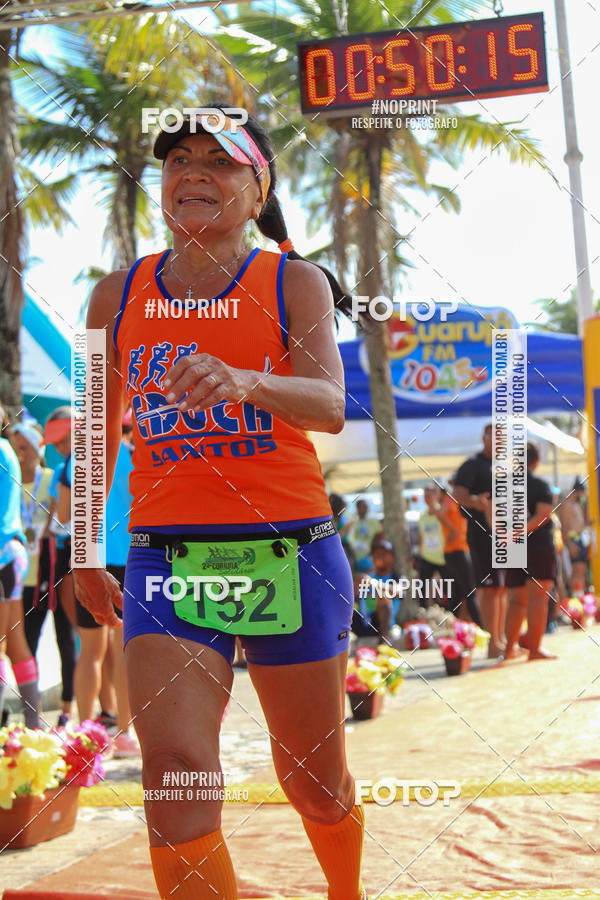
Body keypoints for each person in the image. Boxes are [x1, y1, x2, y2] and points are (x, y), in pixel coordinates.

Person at [73, 109, 367, 900]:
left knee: (313, 781)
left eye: (220, 160)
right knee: (173, 773)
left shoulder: (294, 281)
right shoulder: (114, 295)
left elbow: (331, 405)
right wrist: (83, 548)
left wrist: (246, 381)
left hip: (291, 551)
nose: (194, 172)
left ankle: (347, 892)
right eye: (179, 159)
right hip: (167, 560)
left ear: (257, 188)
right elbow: (96, 429)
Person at [9, 420, 77, 728]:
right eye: (17, 448)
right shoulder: (9, 476)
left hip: (51, 570)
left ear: (38, 448)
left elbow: (59, 521)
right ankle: (31, 717)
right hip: (21, 577)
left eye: (25, 447)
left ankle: (66, 711)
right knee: (24, 644)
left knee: (65, 638)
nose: (20, 454)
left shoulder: (53, 476)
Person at [453, 423, 506, 658]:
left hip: (503, 534)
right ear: (483, 438)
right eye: (491, 436)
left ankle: (501, 638)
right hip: (481, 534)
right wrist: (477, 502)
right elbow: (458, 495)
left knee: (502, 588)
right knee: (491, 588)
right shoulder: (473, 464)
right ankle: (493, 643)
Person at [0, 406, 38, 729]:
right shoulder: (7, 450)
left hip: (4, 552)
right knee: (15, 642)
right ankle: (33, 727)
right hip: (12, 552)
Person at [504, 443, 557, 661]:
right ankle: (534, 649)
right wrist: (522, 530)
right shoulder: (540, 485)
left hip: (512, 544)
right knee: (538, 598)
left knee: (516, 599)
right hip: (538, 545)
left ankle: (509, 650)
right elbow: (543, 515)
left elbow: (493, 513)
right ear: (536, 461)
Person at [435, 479, 480, 625]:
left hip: (456, 550)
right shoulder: (451, 498)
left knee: (459, 594)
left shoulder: (453, 499)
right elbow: (440, 514)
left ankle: (457, 626)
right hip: (457, 550)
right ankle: (482, 627)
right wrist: (453, 530)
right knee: (469, 593)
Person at [557, 476, 590, 595]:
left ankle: (580, 596)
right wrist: (570, 544)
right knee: (577, 571)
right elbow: (565, 526)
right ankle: (576, 598)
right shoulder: (566, 505)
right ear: (578, 492)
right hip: (573, 539)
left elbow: (582, 522)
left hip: (581, 538)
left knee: (582, 571)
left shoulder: (577, 504)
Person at [417, 484, 448, 605]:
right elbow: (421, 537)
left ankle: (449, 611)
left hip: (443, 557)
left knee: (448, 587)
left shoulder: (442, 512)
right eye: (425, 496)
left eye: (430, 495)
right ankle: (423, 610)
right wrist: (420, 555)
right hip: (427, 557)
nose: (427, 498)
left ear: (436, 496)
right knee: (422, 587)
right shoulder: (422, 516)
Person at [347, 499, 381, 572]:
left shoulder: (372, 521)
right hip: (353, 556)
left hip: (368, 556)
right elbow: (349, 537)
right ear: (357, 508)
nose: (366, 509)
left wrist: (373, 551)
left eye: (366, 507)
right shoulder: (352, 520)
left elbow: (379, 535)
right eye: (363, 507)